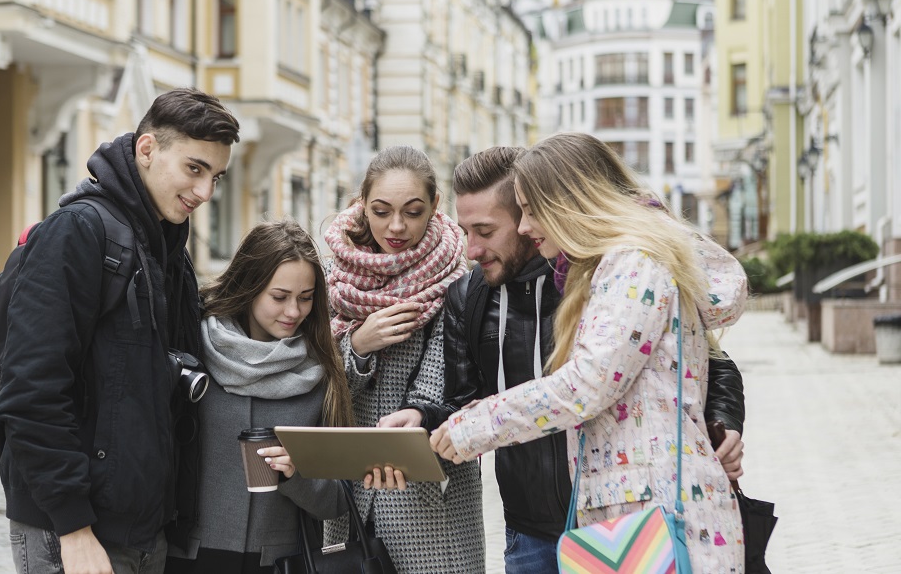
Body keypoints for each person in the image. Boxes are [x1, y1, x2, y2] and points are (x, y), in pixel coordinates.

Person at [414, 146, 748, 573]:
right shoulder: (610, 267)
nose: (526, 224)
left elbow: (586, 384)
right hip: (625, 520)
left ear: (571, 203)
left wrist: (475, 426)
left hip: (658, 519)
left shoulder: (634, 265)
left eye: (532, 210)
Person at [0, 88, 240, 574]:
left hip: (144, 531)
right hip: (75, 534)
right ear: (147, 150)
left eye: (216, 176)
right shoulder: (78, 232)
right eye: (194, 168)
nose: (205, 192)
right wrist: (73, 529)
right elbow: (30, 392)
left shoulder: (166, 248)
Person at [323, 145, 485, 573]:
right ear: (362, 205)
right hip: (352, 499)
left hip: (432, 503)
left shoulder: (459, 281)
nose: (396, 226)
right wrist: (359, 344)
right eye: (381, 211)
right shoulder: (335, 278)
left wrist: (415, 418)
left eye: (413, 212)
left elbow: (445, 391)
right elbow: (318, 382)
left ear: (435, 205)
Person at [164, 219, 353, 573]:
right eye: (279, 297)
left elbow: (339, 499)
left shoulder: (324, 370)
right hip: (188, 557)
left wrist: (296, 476)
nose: (294, 311)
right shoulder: (194, 349)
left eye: (306, 298)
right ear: (249, 287)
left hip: (281, 562)